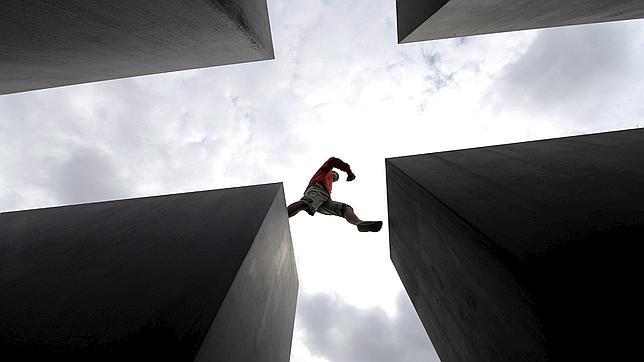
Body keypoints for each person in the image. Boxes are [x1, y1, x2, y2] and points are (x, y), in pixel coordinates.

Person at [288, 157, 383, 232]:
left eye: (336, 178)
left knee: (345, 208)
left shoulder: (330, 184)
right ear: (331, 172)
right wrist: (348, 171)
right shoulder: (324, 171)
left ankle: (360, 224)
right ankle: (281, 215)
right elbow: (332, 160)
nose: (335, 177)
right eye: (335, 175)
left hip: (326, 199)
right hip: (317, 188)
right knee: (305, 204)